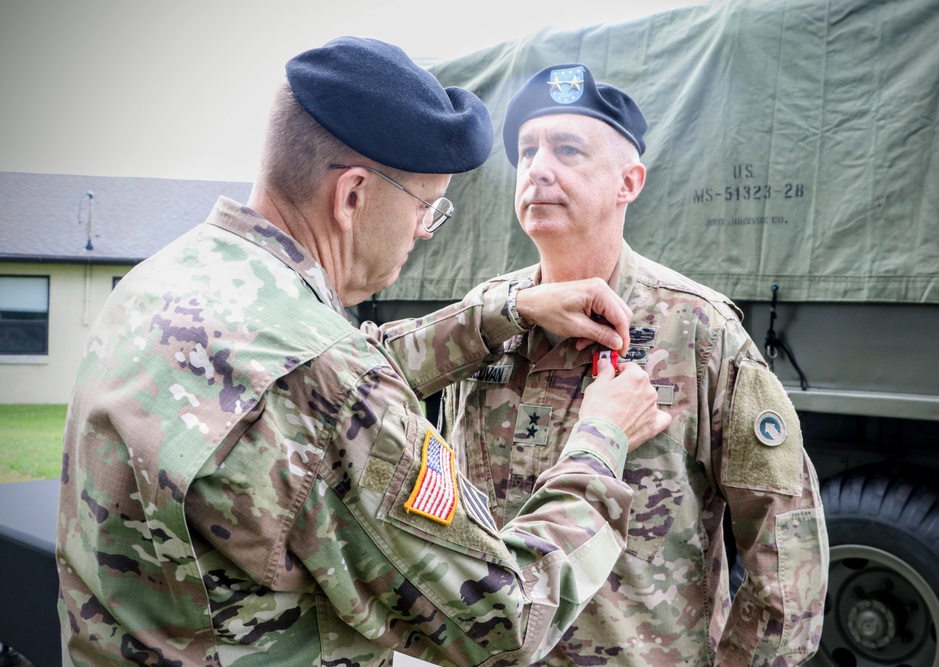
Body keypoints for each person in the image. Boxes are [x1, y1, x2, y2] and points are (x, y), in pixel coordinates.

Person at [56, 40, 672, 666]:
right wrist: (602, 438)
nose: (422, 232)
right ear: (352, 196)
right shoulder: (324, 379)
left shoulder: (164, 282)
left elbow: (310, 386)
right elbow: (502, 619)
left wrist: (501, 315)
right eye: (426, 207)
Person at [439, 63, 829, 666]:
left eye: (568, 149)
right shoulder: (484, 321)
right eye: (527, 151)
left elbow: (786, 543)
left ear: (629, 182)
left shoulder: (699, 329)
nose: (539, 168)